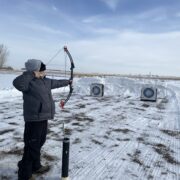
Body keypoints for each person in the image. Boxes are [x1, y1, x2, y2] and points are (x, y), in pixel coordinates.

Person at [13, 59, 71, 180]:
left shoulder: (45, 81)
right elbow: (17, 83)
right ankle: (24, 174)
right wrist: (31, 74)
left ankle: (36, 166)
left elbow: (56, 83)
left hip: (43, 118)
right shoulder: (28, 82)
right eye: (42, 70)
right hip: (33, 119)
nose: (45, 72)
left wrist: (68, 82)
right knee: (32, 146)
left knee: (39, 143)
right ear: (36, 71)